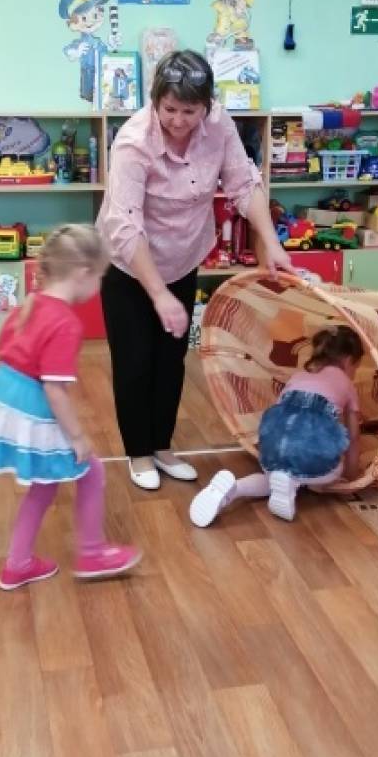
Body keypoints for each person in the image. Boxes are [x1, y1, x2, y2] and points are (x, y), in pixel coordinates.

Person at [96, 48, 294, 491]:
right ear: (155, 101)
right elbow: (125, 226)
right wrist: (158, 294)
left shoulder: (219, 126)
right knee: (134, 361)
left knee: (172, 359)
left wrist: (271, 241)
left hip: (183, 256)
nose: (179, 120)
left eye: (190, 111)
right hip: (129, 265)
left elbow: (244, 183)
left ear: (206, 105)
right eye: (170, 109)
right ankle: (139, 453)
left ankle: (162, 447)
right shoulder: (133, 142)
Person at [0, 224, 141, 590]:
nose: (100, 285)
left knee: (44, 485)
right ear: (83, 273)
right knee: (91, 471)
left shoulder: (30, 304)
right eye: (101, 277)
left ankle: (18, 564)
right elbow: (55, 390)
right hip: (32, 405)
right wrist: (77, 437)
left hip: (4, 394)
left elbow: (9, 353)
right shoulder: (66, 324)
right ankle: (91, 554)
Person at [189, 325, 364, 526]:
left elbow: (279, 417)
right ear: (348, 360)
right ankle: (305, 481)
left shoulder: (298, 377)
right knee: (331, 468)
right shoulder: (347, 384)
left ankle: (235, 489)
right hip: (308, 453)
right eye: (356, 368)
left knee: (274, 477)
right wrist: (351, 477)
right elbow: (354, 437)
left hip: (272, 446)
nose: (354, 373)